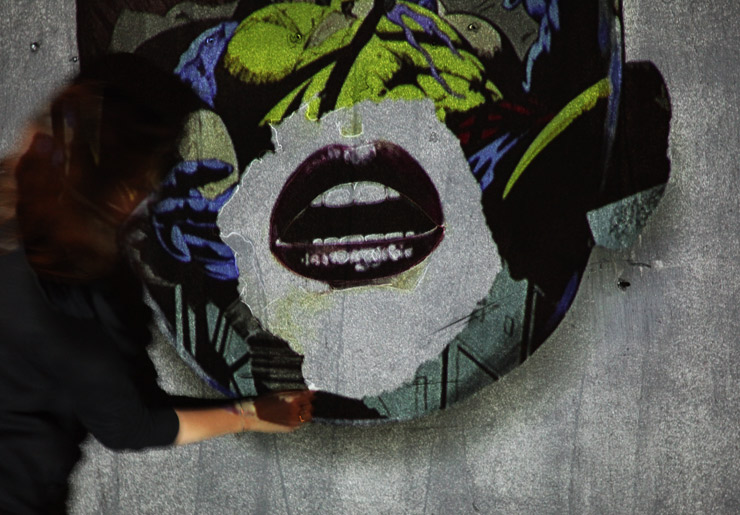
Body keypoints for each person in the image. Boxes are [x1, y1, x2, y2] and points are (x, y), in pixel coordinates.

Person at [0, 57, 314, 514]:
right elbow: (129, 425)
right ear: (119, 189)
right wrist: (250, 415)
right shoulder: (63, 305)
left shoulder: (26, 241)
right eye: (152, 174)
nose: (154, 191)